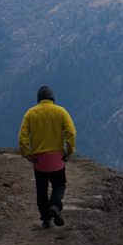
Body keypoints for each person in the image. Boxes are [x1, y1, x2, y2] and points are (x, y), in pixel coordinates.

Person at [18, 85, 77, 229]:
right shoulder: (61, 111)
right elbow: (71, 133)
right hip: (57, 159)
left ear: (38, 99)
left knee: (41, 189)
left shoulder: (30, 113)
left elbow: (22, 137)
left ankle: (45, 219)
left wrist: (26, 153)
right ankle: (55, 205)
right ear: (52, 98)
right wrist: (69, 151)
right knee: (59, 184)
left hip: (39, 160)